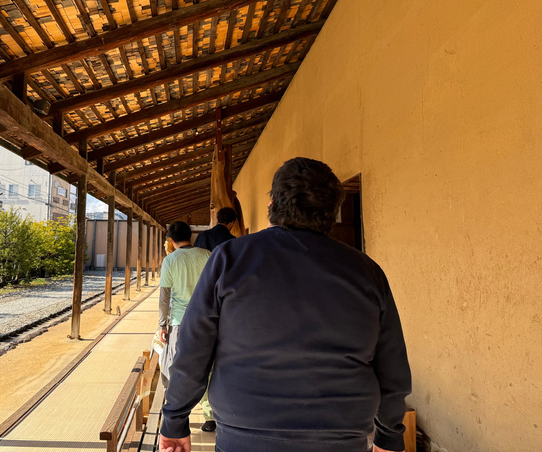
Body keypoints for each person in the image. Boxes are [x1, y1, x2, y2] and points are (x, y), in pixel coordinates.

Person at [159, 157, 412, 452]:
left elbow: (193, 348)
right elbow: (392, 363)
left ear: (271, 205)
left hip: (245, 434)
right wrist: (389, 436)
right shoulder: (367, 272)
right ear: (332, 211)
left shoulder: (230, 259)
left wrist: (175, 419)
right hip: (341, 436)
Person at [158, 221, 215, 431]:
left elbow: (164, 297)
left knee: (175, 368)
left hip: (180, 323)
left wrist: (162, 325)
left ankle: (180, 416)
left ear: (171, 241)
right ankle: (210, 417)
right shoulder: (207, 255)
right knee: (207, 367)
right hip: (205, 321)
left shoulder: (170, 260)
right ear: (190, 236)